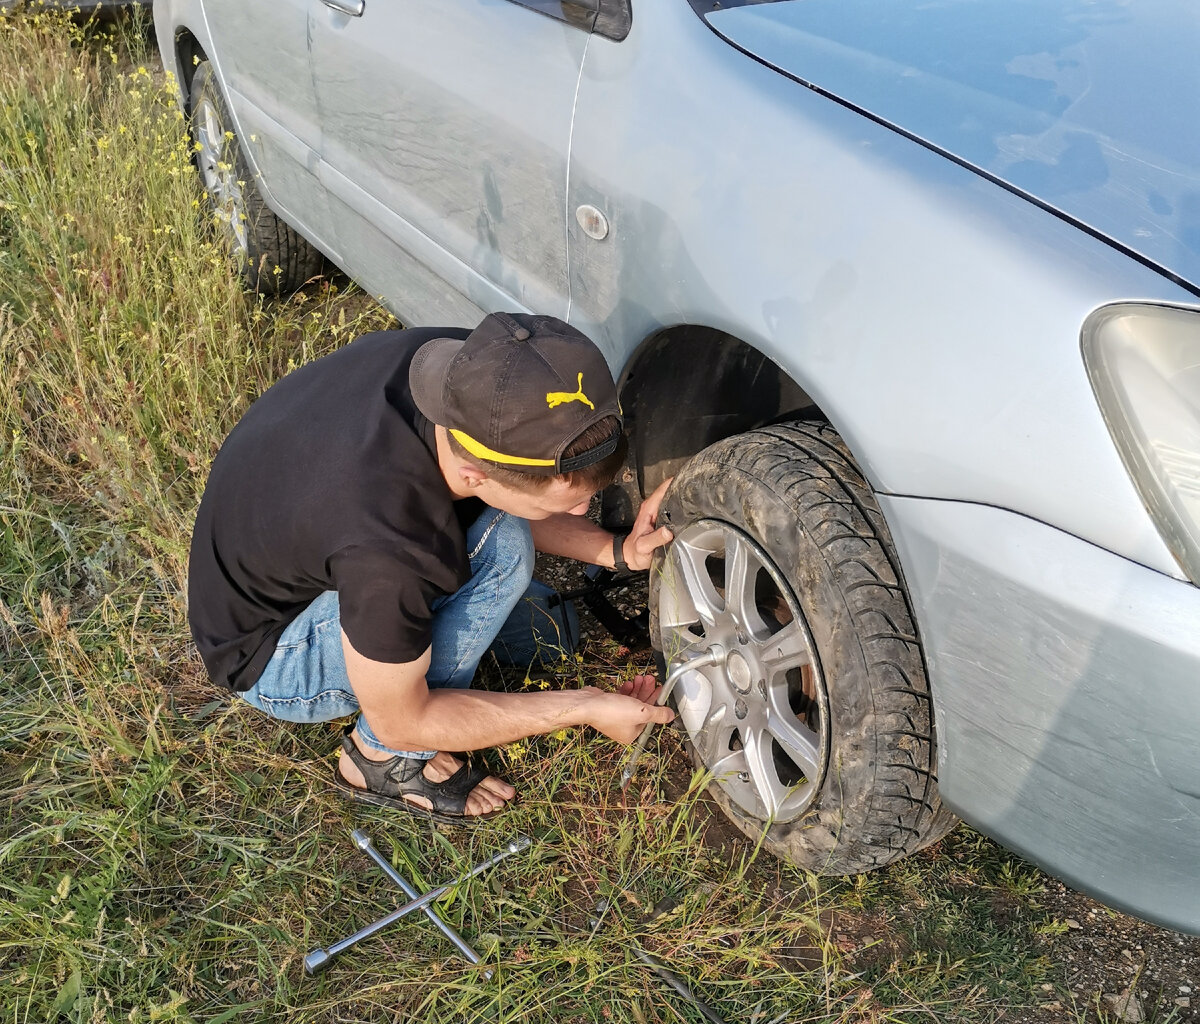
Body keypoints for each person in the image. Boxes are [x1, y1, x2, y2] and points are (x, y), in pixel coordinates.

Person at [188, 312, 676, 823]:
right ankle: (376, 759)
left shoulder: (484, 380)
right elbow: (404, 718)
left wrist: (617, 552)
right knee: (504, 545)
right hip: (273, 650)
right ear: (473, 473)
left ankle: (424, 659)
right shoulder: (391, 545)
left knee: (553, 633)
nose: (582, 512)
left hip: (319, 547)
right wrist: (584, 707)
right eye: (567, 501)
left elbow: (505, 495)